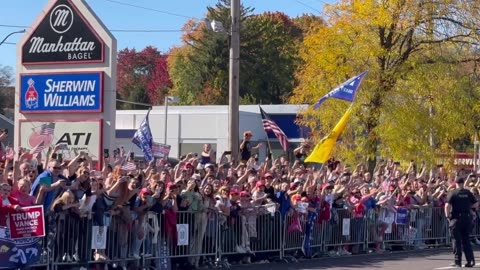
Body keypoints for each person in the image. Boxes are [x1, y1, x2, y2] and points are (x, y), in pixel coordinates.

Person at [445, 177, 478, 267]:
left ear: (456, 183)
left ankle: (457, 262)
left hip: (456, 218)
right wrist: (468, 207)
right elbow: (476, 203)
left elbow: (447, 205)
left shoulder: (453, 193)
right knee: (466, 240)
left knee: (456, 241)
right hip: (466, 218)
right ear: (463, 183)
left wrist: (448, 216)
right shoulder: (468, 193)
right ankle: (470, 261)